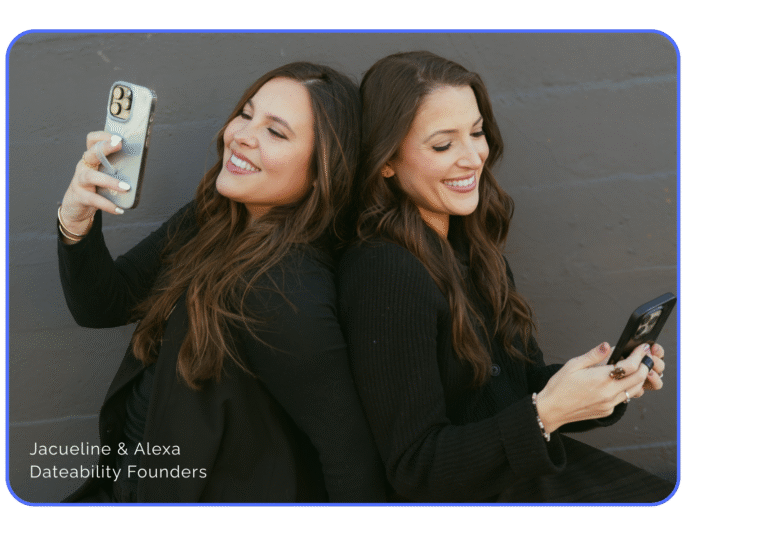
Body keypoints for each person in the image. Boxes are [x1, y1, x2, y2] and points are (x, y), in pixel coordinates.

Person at [337, 51, 674, 502]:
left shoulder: (473, 248)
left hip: (527, 478)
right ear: (386, 161)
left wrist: (606, 384)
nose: (473, 157)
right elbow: (415, 467)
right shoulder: (384, 271)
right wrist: (544, 414)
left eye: (476, 132)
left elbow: (515, 390)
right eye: (442, 145)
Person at [56, 62, 387, 502]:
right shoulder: (215, 216)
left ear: (322, 171)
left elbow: (350, 458)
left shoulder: (285, 288)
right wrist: (76, 220)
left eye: (276, 132)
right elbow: (104, 305)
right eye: (246, 114)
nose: (243, 135)